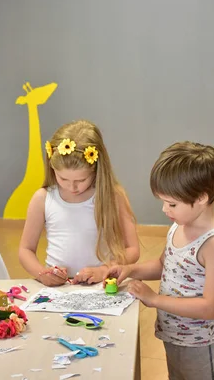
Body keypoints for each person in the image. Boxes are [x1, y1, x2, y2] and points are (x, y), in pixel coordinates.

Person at [106, 141, 214, 380]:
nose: (165, 209)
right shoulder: (178, 225)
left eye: (172, 204)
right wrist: (130, 269)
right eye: (163, 202)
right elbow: (164, 265)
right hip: (174, 336)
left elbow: (210, 307)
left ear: (201, 198)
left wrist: (154, 299)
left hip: (199, 345)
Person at [18, 119, 140, 286]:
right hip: (58, 288)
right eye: (63, 178)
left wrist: (104, 269)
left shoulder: (113, 196)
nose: (72, 186)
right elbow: (25, 250)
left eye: (81, 179)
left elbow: (132, 249)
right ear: (52, 169)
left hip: (100, 284)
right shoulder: (42, 199)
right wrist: (42, 274)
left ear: (97, 169)